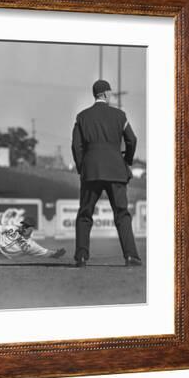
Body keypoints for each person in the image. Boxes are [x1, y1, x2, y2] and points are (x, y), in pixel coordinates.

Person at [71, 79, 142, 267]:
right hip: (116, 171)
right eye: (110, 93)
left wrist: (81, 168)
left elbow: (76, 146)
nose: (111, 95)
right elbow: (132, 140)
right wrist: (126, 161)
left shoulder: (82, 117)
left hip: (91, 171)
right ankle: (131, 256)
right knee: (122, 214)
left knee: (84, 214)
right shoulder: (120, 115)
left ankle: (82, 256)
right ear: (105, 94)